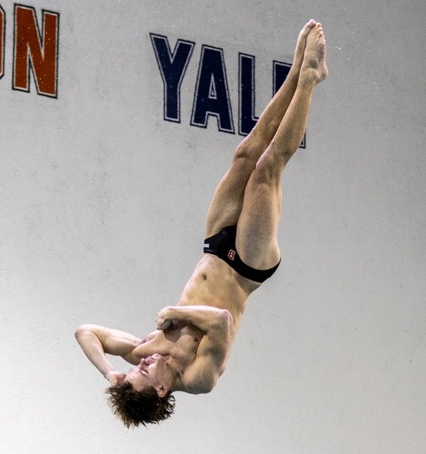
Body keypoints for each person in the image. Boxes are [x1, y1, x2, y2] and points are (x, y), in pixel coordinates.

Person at [75, 19, 328, 427]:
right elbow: (221, 321)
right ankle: (311, 80)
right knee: (266, 170)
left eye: (137, 366)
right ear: (161, 389)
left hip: (214, 246)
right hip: (247, 264)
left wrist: (111, 372)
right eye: (144, 373)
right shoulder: (199, 377)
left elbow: (85, 331)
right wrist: (177, 310)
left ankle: (297, 71)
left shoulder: (145, 350)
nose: (144, 362)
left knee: (245, 154)